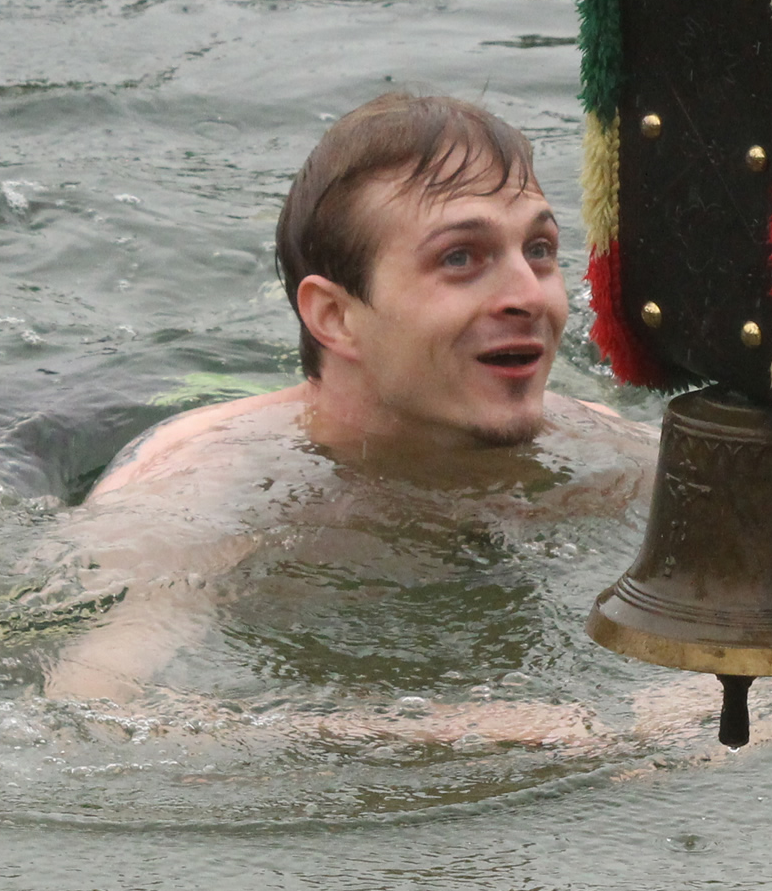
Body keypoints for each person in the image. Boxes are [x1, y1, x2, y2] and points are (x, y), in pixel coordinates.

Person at [36, 92, 656, 706]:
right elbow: (91, 705)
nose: (529, 296)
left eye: (539, 250)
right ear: (334, 316)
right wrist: (462, 735)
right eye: (460, 258)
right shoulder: (207, 492)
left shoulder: (608, 456)